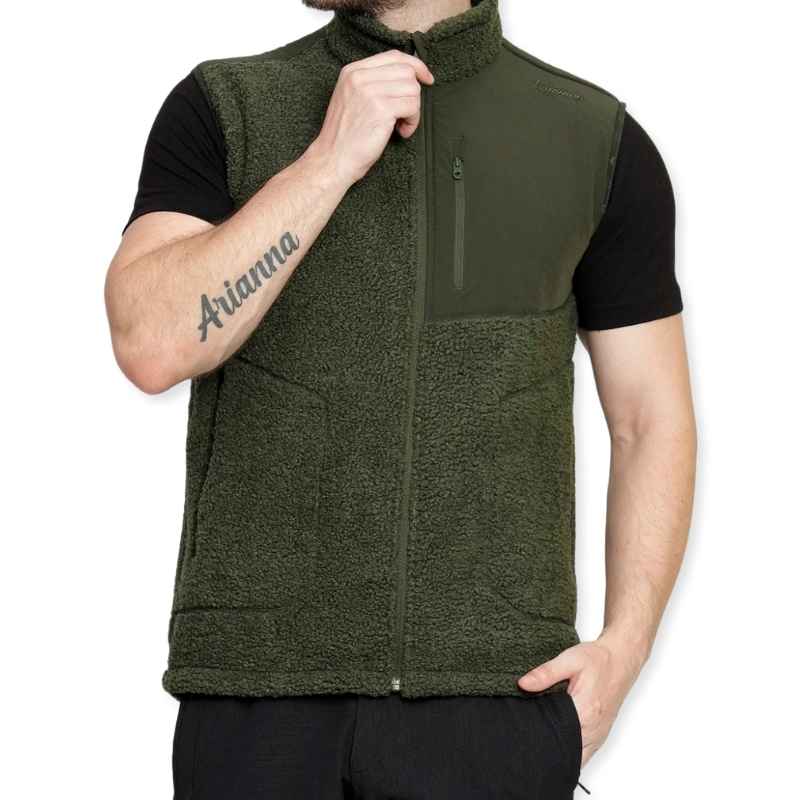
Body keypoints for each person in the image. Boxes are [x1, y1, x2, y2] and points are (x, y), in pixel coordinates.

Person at [104, 0, 697, 796]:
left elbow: (648, 419)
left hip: (495, 702)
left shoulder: (594, 140)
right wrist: (327, 161)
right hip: (258, 701)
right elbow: (152, 343)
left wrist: (626, 649)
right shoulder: (227, 107)